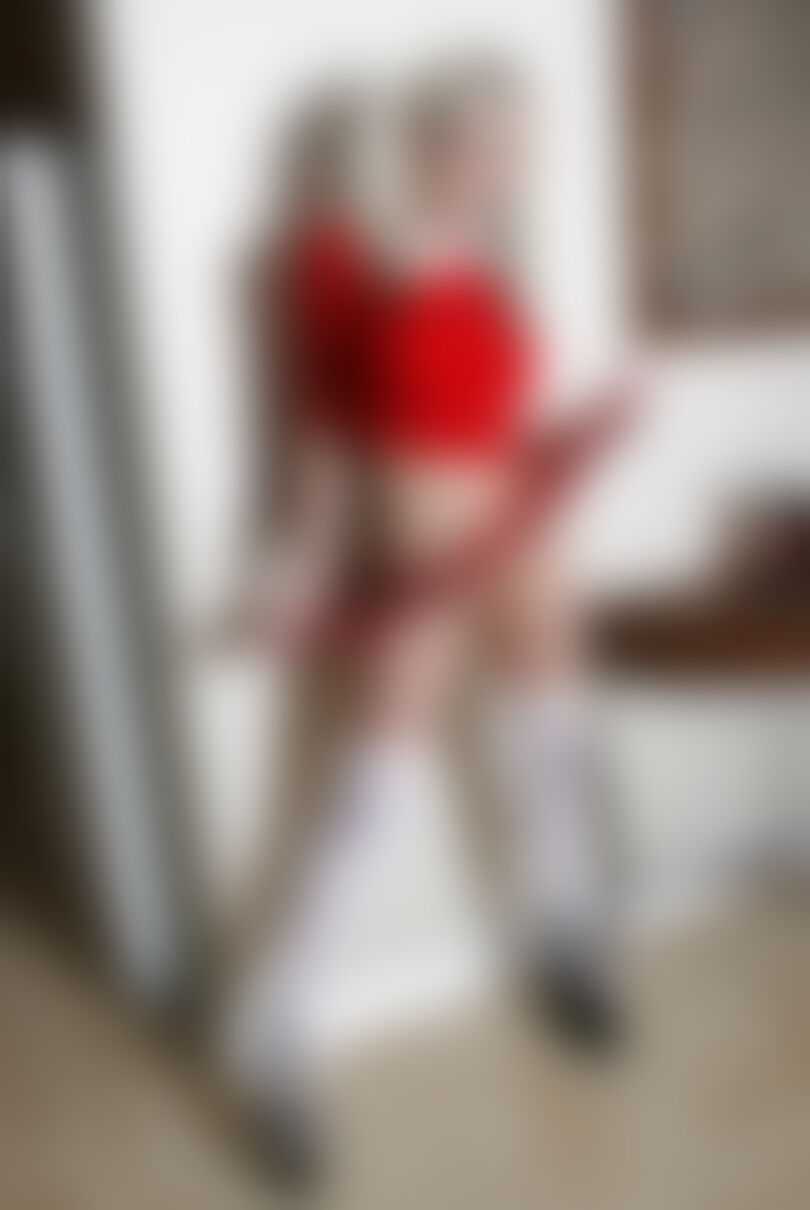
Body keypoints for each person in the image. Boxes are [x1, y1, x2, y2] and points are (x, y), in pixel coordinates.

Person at [225, 61, 633, 1185]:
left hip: (521, 537)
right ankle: (278, 1037)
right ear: (421, 139)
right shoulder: (334, 253)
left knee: (553, 745)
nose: (492, 167)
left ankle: (563, 934)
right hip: (417, 557)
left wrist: (585, 441)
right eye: (472, 141)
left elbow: (500, 420)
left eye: (512, 148)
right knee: (377, 793)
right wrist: (300, 566)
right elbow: (320, 430)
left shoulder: (502, 267)